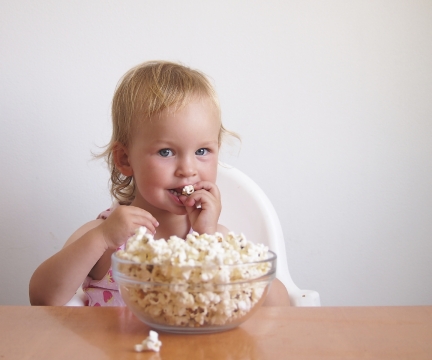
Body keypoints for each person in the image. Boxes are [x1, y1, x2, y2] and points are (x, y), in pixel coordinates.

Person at [29, 60, 290, 307]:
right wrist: (102, 237)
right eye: (166, 152)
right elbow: (43, 298)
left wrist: (211, 245)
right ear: (125, 159)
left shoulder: (215, 238)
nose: (188, 170)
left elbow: (280, 304)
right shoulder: (105, 235)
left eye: (202, 151)